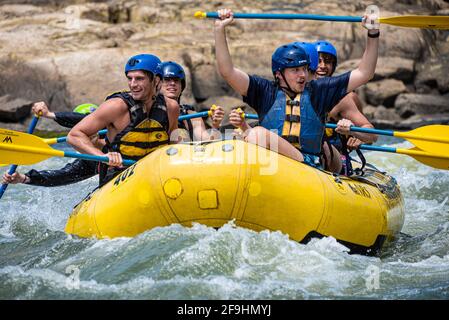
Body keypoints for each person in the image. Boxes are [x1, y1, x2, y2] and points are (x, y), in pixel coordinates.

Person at [215, 8, 380, 168]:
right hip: (274, 162)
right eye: (295, 70)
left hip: (308, 165)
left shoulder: (319, 91)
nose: (302, 75)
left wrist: (373, 33)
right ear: (279, 74)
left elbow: (365, 73)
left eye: (304, 69)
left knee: (257, 133)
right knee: (245, 135)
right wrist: (219, 29)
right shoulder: (264, 91)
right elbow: (227, 72)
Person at [67, 53, 176, 185]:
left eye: (139, 79)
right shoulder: (116, 106)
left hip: (156, 176)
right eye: (130, 78)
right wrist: (102, 156)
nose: (133, 84)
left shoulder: (171, 107)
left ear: (156, 80)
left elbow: (173, 145)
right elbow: (74, 135)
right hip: (120, 179)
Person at [314, 40, 378, 174]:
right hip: (306, 156)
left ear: (334, 66)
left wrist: (355, 134)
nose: (322, 66)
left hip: (335, 158)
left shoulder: (345, 98)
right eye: (318, 61)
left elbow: (371, 135)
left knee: (322, 145)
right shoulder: (294, 93)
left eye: (328, 62)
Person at [2, 104, 102, 186]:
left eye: (90, 127)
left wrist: (50, 114)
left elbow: (85, 119)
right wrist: (23, 178)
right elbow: (62, 176)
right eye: (80, 129)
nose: (86, 132)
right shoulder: (89, 161)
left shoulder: (114, 135)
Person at [159, 61, 225, 142]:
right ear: (157, 84)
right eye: (167, 80)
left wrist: (216, 125)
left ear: (181, 86)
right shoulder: (149, 112)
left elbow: (207, 142)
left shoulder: (191, 115)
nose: (172, 83)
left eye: (176, 80)